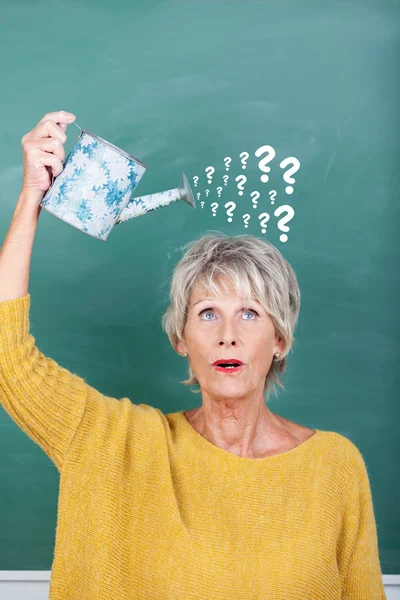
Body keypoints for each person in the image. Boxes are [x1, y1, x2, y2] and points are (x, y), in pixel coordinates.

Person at [0, 110, 386, 599]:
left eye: (250, 313)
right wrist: (32, 195)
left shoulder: (336, 467)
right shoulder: (119, 444)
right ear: (180, 338)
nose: (228, 334)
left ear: (280, 339)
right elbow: (7, 358)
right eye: (207, 313)